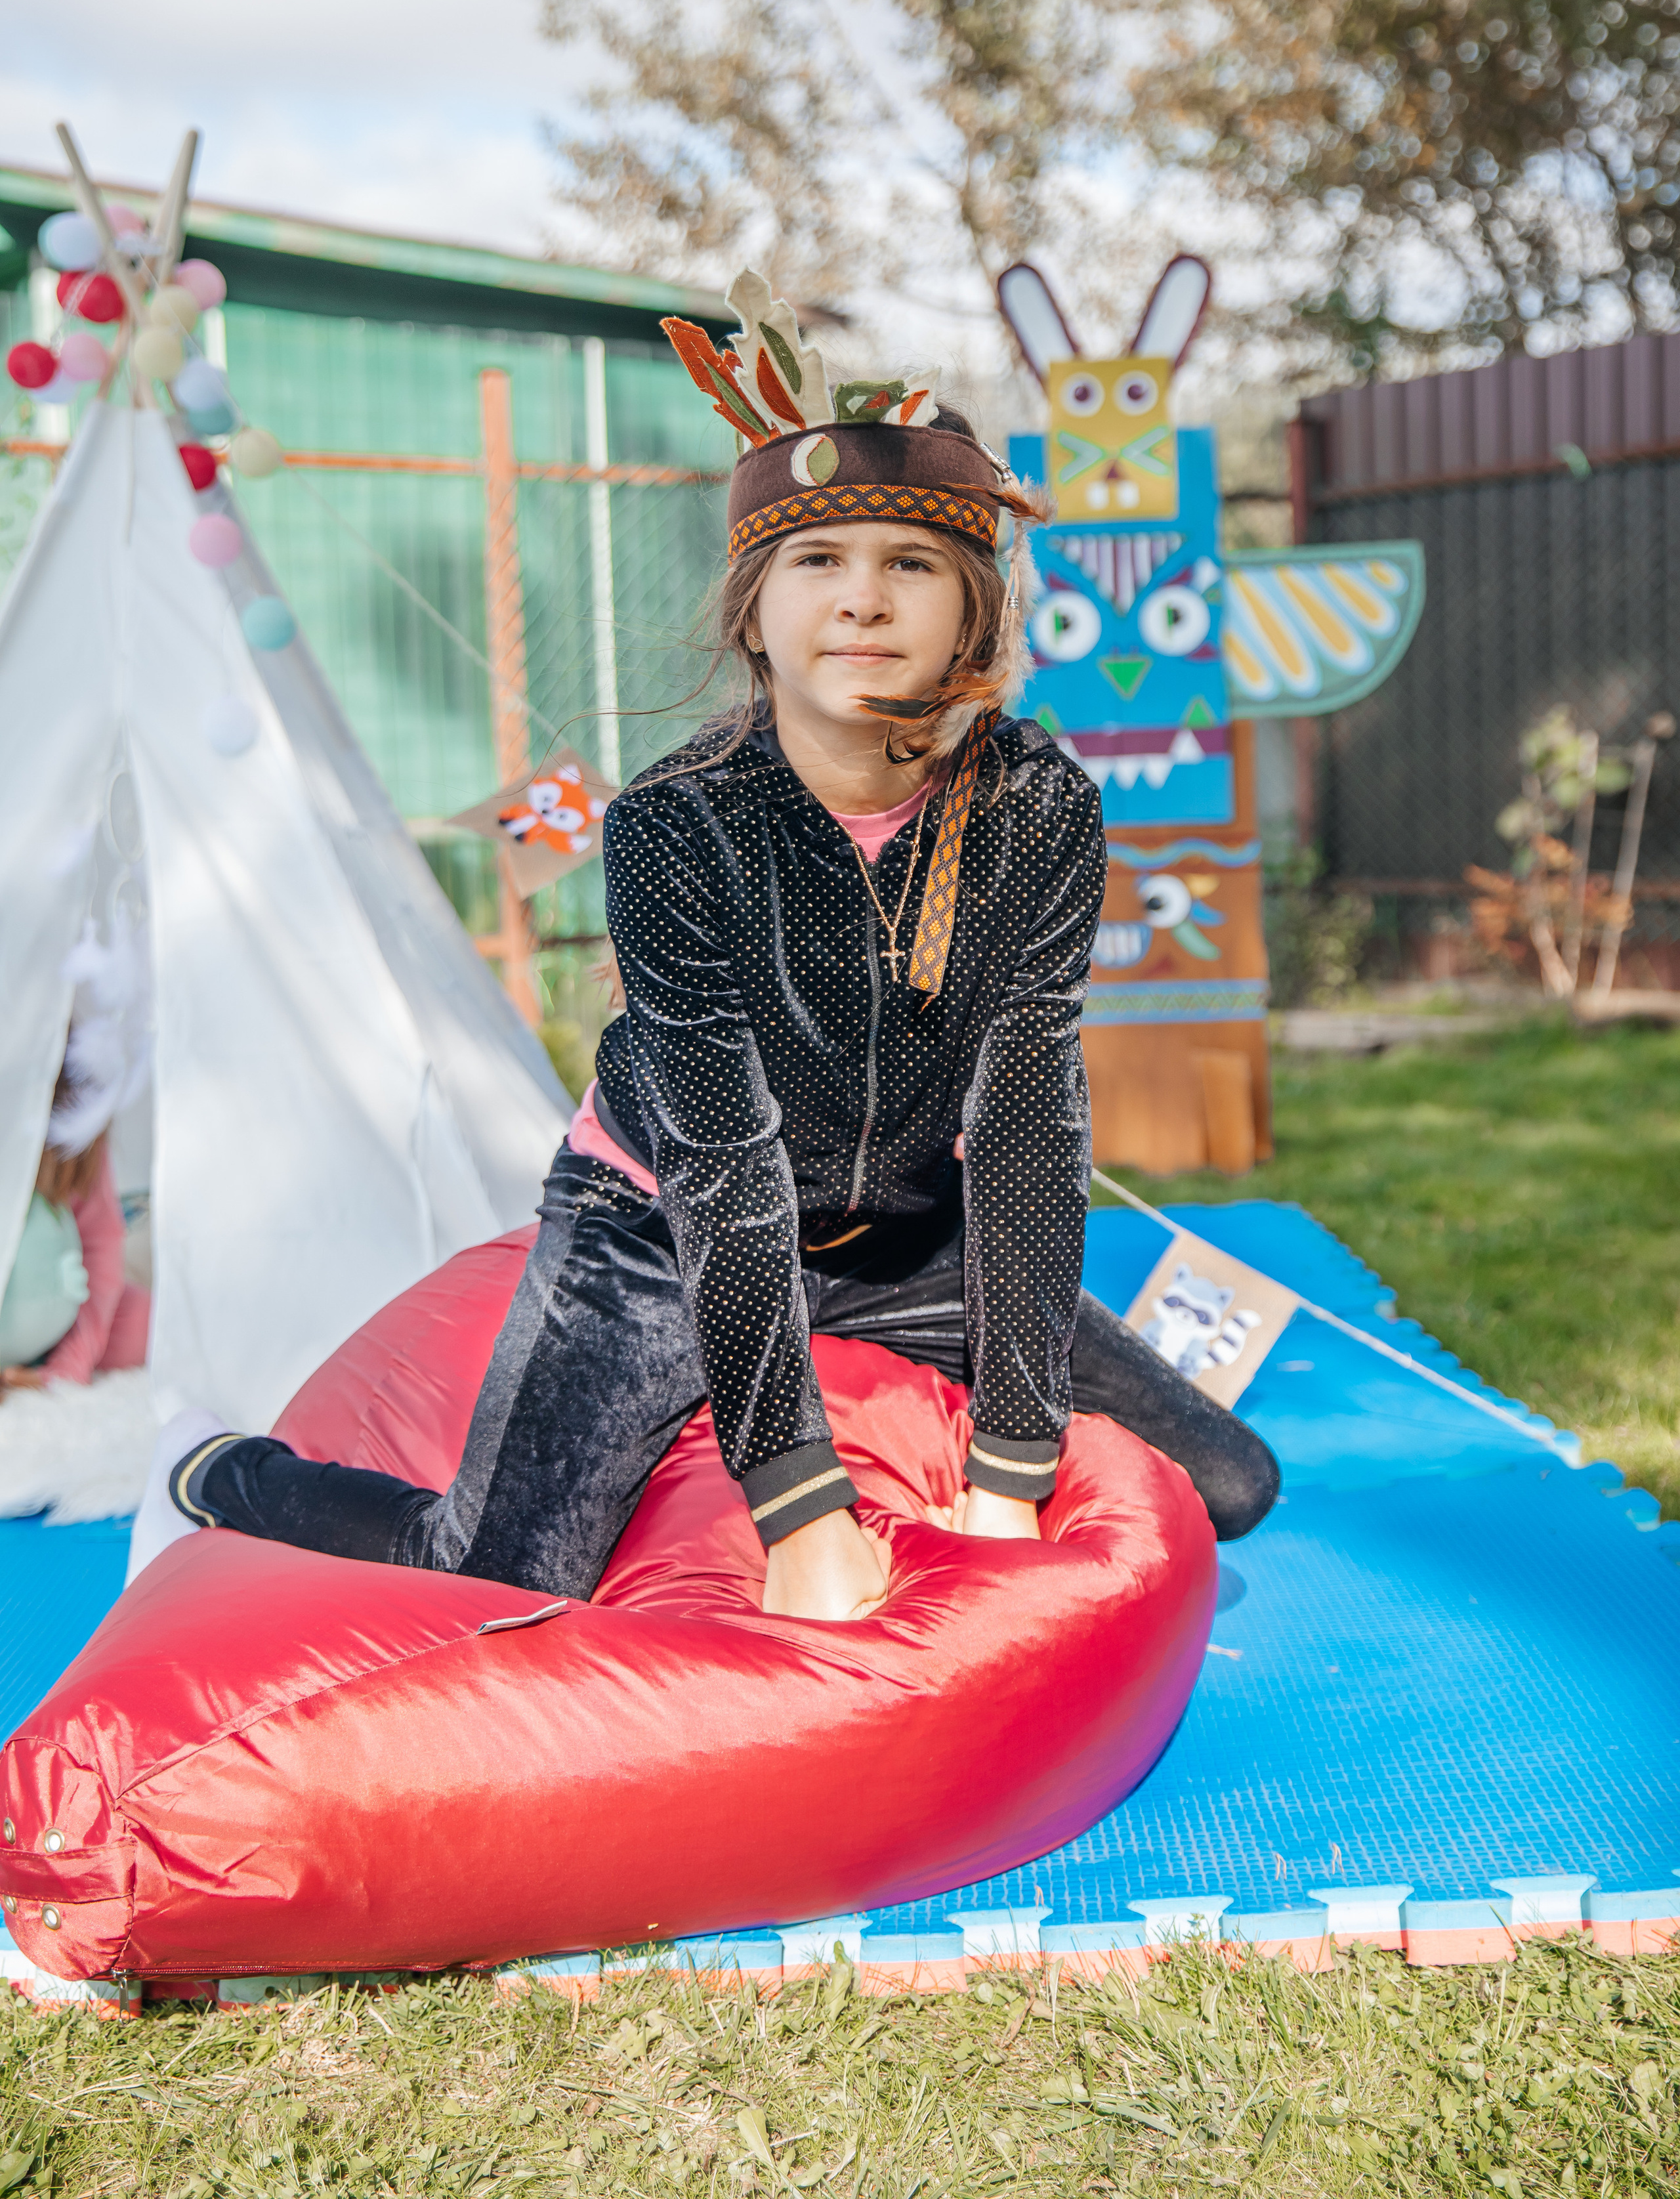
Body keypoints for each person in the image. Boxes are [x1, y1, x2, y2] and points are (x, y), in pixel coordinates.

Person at [131, 282, 1276, 1617]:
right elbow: (722, 1167)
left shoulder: (1039, 806)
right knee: (498, 1571)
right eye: (818, 562)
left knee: (1232, 1481)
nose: (862, 601)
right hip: (661, 1228)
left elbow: (1028, 1122)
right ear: (752, 609)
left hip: (906, 1235)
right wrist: (801, 1505)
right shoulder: (679, 824)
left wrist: (1012, 1466)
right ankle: (225, 1471)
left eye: (910, 566)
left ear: (973, 613)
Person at [0, 1067, 149, 1394]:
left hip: (53, 1312)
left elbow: (100, 1245)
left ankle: (33, 1355)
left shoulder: (77, 1123)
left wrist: (70, 1364)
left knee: (142, 1320)